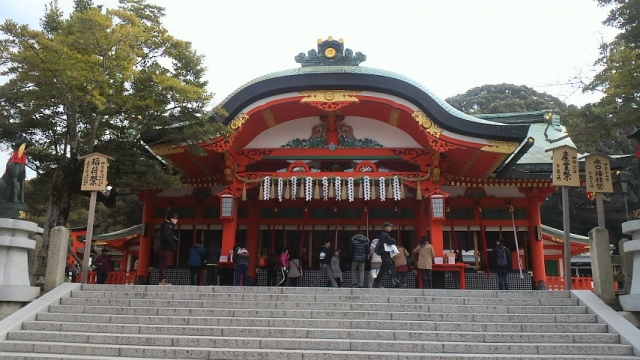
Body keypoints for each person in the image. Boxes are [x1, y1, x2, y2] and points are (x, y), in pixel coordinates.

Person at [372, 222, 403, 288]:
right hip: (385, 253)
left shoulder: (384, 234)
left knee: (383, 270)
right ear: (385, 227)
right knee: (391, 266)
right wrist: (393, 240)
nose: (390, 228)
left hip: (385, 253)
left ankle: (376, 283)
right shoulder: (385, 234)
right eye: (389, 226)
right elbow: (392, 241)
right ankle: (396, 282)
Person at [158, 212, 178, 285]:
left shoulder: (168, 226)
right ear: (171, 218)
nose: (176, 221)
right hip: (166, 246)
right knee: (163, 263)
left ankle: (163, 279)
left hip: (167, 246)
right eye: (176, 219)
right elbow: (166, 236)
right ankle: (161, 279)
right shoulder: (167, 226)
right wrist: (172, 243)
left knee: (164, 263)